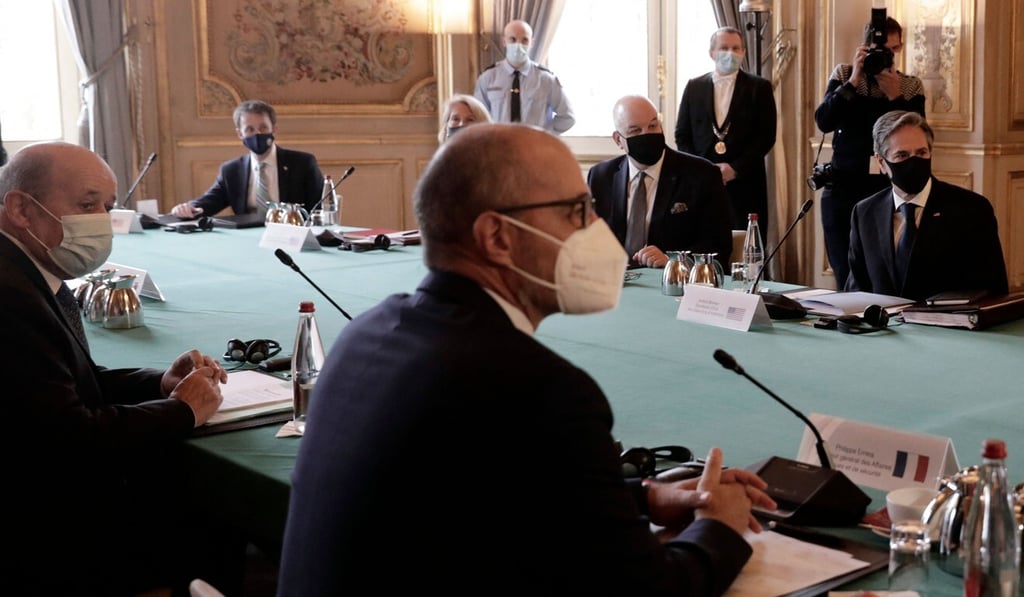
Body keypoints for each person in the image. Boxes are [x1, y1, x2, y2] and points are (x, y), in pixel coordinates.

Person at [278, 124, 775, 595]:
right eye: (576, 211)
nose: (597, 228)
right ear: (497, 237)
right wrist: (720, 527)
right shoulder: (539, 390)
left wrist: (645, 496)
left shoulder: (365, 334)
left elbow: (486, 494)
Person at [0, 142, 236, 594]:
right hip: (41, 522)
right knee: (208, 510)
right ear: (21, 210)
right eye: (87, 205)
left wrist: (161, 383)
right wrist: (181, 411)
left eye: (106, 207)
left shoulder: (31, 267)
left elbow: (68, 380)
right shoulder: (10, 294)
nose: (101, 222)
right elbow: (69, 435)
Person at [846, 111, 1008, 301]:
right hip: (884, 328)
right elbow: (856, 289)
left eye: (921, 153)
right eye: (902, 155)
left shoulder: (971, 209)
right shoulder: (865, 212)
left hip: (948, 327)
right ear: (881, 162)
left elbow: (993, 289)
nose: (914, 163)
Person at [814, 16, 925, 289]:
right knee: (844, 273)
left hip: (883, 191)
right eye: (880, 50)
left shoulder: (910, 86)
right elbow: (824, 121)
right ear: (865, 47)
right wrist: (853, 80)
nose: (887, 56)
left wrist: (895, 97)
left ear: (899, 49)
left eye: (893, 49)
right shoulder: (844, 75)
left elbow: (917, 134)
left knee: (881, 272)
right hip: (842, 188)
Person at [587, 95, 733, 268]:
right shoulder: (600, 176)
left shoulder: (702, 174)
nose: (646, 135)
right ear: (618, 140)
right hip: (616, 284)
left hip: (672, 285)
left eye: (652, 126)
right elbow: (586, 239)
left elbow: (719, 246)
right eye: (635, 131)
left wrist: (674, 261)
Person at [675, 26, 777, 231]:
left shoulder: (760, 87)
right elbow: (682, 134)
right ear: (711, 53)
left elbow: (766, 136)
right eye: (724, 48)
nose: (730, 53)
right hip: (702, 183)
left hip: (745, 181)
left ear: (743, 52)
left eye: (735, 48)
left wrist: (735, 168)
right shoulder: (694, 87)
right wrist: (702, 169)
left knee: (747, 244)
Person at [171, 99, 323, 218]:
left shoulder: (302, 164)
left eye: (263, 127)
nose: (257, 134)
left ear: (274, 129)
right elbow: (210, 201)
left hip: (292, 238)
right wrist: (188, 208)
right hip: (248, 240)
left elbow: (319, 208)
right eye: (249, 129)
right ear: (240, 134)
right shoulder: (231, 170)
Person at [473, 19, 575, 134]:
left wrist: (544, 135)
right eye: (512, 39)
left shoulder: (546, 80)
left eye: (524, 40)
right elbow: (477, 118)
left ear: (532, 43)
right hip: (499, 146)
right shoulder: (488, 78)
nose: (518, 45)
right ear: (504, 42)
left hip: (534, 148)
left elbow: (568, 117)